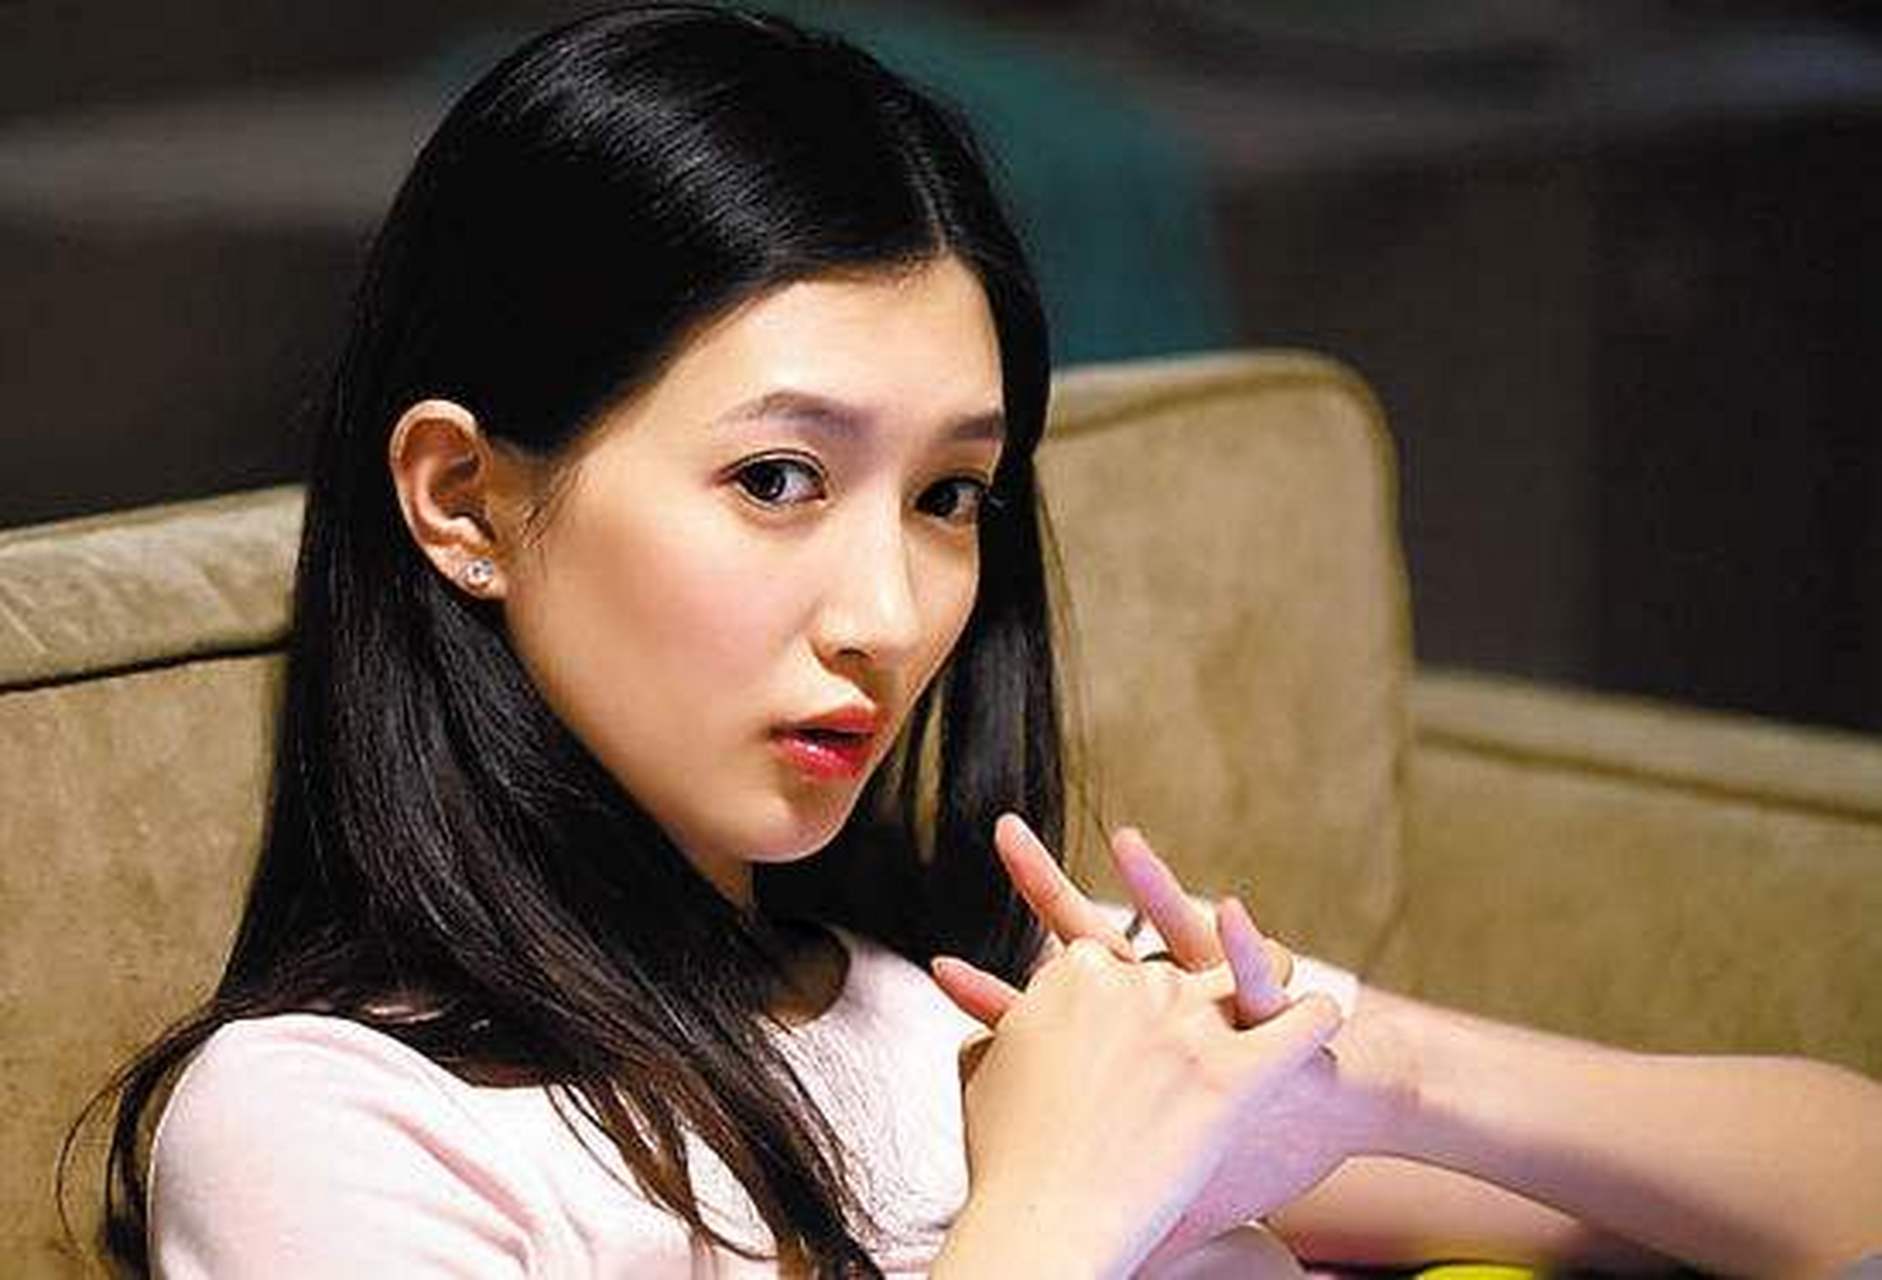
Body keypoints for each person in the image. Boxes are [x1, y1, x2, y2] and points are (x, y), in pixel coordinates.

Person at [78, 5, 1882, 1277]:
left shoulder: (983, 1020)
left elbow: (1841, 1196)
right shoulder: (330, 1122)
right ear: (463, 499)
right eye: (777, 478)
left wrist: (1379, 1074)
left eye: (949, 496)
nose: (887, 616)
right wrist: (1050, 1211)